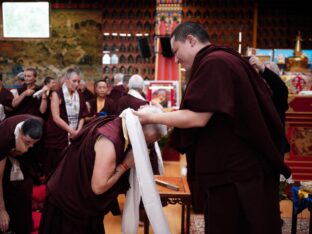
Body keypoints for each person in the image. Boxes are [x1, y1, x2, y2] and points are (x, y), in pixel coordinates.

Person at [134, 22, 291, 234]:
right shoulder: (222, 59)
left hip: (236, 174)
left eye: (177, 51)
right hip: (238, 169)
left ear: (191, 40)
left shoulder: (215, 62)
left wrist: (153, 117)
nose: (177, 59)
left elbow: (198, 117)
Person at [39, 106, 166, 234]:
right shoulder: (110, 140)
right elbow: (99, 187)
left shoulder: (119, 122)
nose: (145, 146)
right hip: (68, 205)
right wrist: (125, 165)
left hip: (75, 196)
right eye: (147, 142)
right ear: (140, 130)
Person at [0, 115, 43, 234]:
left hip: (24, 160)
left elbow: (31, 150)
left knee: (25, 188)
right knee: (9, 189)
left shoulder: (39, 123)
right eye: (28, 142)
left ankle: (25, 225)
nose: (30, 146)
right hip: (4, 157)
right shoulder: (3, 137)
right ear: (20, 132)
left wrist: (24, 148)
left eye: (33, 143)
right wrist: (1, 210)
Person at [43, 68, 88, 177]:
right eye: (74, 81)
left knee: (70, 166)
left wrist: (78, 130)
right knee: (55, 167)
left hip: (74, 135)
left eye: (78, 81)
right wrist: (71, 131)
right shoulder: (56, 94)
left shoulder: (80, 95)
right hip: (58, 135)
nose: (77, 84)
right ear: (67, 80)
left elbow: (82, 115)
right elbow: (56, 118)